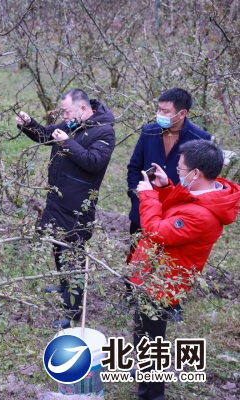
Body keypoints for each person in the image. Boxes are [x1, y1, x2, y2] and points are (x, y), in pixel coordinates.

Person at [129, 140, 240, 400]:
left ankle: (151, 394)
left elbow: (157, 231)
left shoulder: (203, 216)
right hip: (156, 272)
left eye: (180, 170)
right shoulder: (204, 195)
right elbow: (177, 209)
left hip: (162, 281)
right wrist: (166, 186)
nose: (178, 172)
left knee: (150, 339)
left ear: (196, 173)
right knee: (143, 332)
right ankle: (147, 372)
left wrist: (147, 194)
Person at [16, 89, 115, 329]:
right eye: (62, 111)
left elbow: (94, 162)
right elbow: (45, 136)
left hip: (78, 206)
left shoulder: (104, 132)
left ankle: (72, 311)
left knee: (74, 258)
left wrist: (67, 143)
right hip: (58, 198)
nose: (64, 115)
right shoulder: (73, 123)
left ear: (83, 108)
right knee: (58, 246)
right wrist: (29, 124)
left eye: (66, 111)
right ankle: (63, 284)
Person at [125, 88, 210, 320]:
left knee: (172, 258)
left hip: (176, 211)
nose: (159, 114)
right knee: (137, 251)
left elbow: (197, 181)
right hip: (144, 206)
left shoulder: (200, 139)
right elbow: (134, 168)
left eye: (165, 111)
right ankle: (131, 292)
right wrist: (139, 196)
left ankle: (172, 303)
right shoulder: (150, 131)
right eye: (158, 109)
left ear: (182, 113)